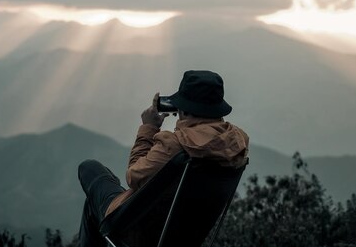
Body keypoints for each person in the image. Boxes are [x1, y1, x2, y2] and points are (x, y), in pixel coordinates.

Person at [77, 70, 249, 247]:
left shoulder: (176, 146)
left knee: (89, 169)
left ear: (183, 109)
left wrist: (148, 127)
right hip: (185, 237)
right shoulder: (238, 143)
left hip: (137, 231)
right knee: (93, 204)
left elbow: (134, 177)